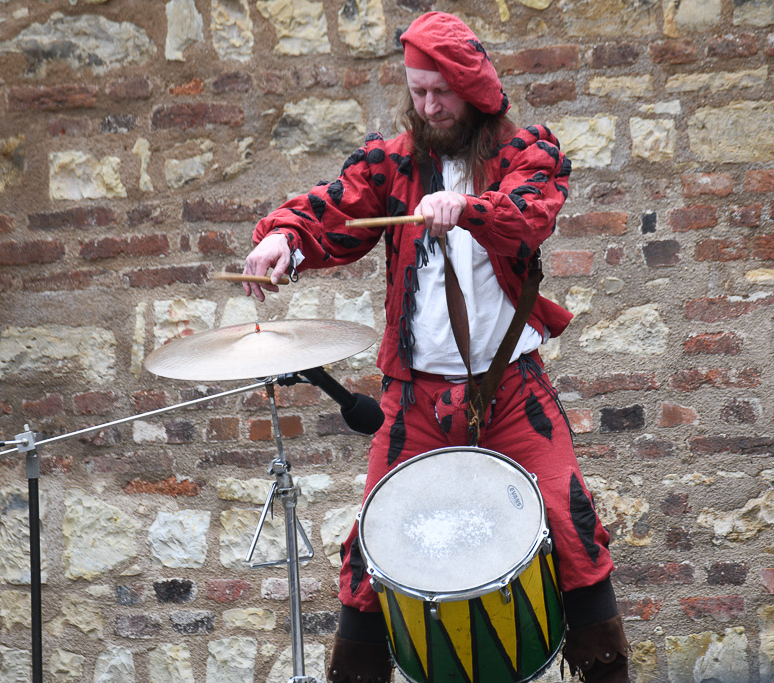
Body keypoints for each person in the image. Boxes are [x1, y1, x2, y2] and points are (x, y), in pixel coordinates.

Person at [242, 12, 629, 683]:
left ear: (473, 89)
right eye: (417, 93)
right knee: (368, 551)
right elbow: (331, 211)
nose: (427, 106)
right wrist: (284, 238)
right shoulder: (391, 162)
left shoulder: (526, 152)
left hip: (509, 391)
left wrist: (467, 207)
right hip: (415, 401)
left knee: (573, 523)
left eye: (439, 93)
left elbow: (527, 219)